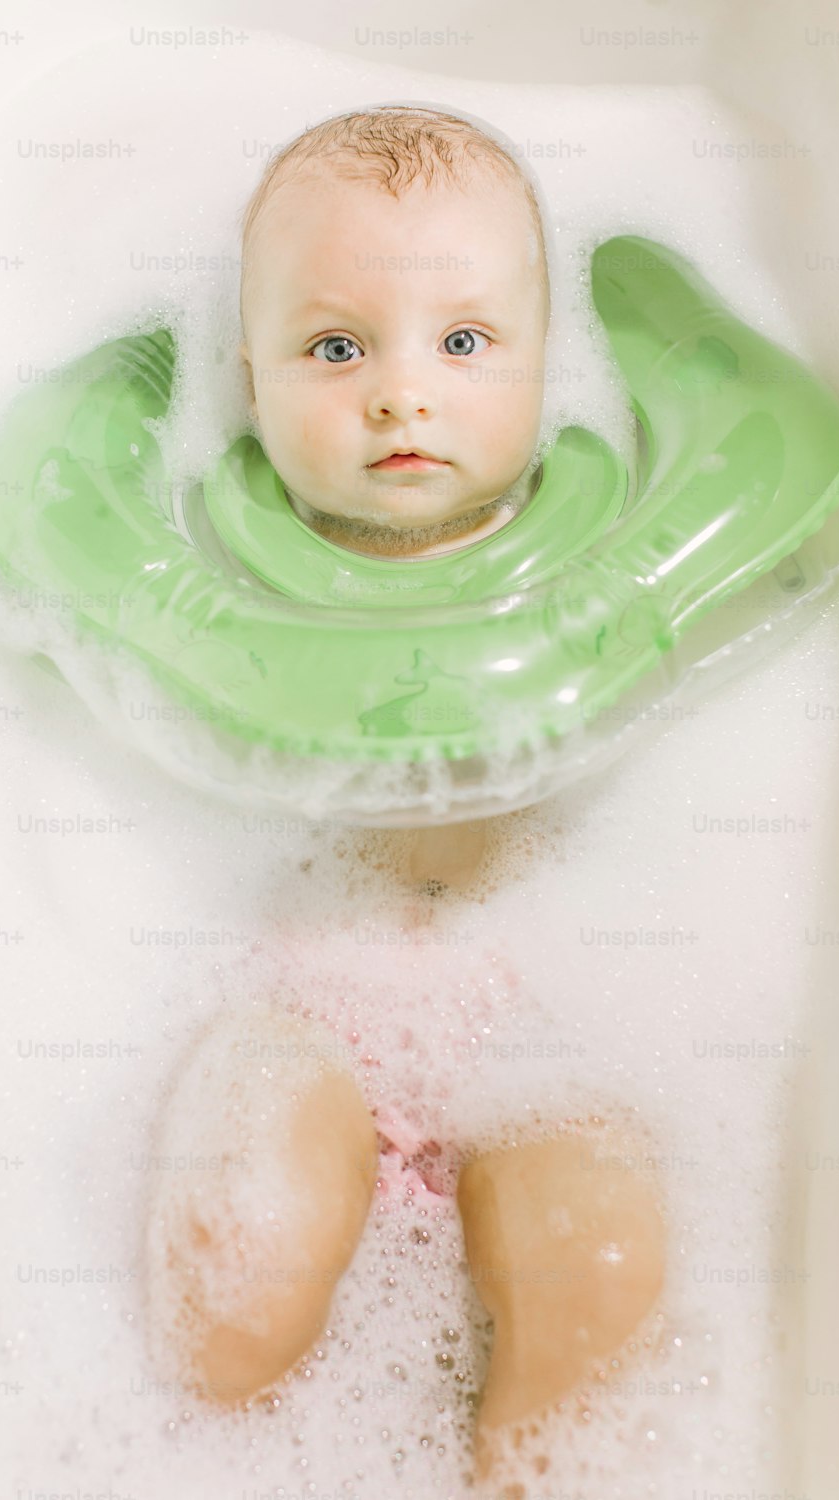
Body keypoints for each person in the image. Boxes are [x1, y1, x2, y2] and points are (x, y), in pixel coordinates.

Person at [146, 105, 666, 1489]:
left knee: (601, 1276)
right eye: (334, 347)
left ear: (548, 365)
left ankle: (523, 1463)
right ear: (248, 380)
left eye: (464, 341)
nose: (401, 393)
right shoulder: (211, 576)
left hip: (544, 1011)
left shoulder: (609, 563)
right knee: (235, 1297)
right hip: (303, 1007)